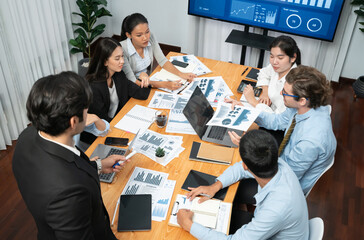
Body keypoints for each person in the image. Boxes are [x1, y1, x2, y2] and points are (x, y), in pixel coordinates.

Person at [12, 72, 128, 239]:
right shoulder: (68, 194)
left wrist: (99, 166)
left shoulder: (27, 136)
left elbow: (68, 163)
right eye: (86, 111)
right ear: (73, 122)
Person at [177, 130, 309, 240]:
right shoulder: (277, 163)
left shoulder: (275, 210)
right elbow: (241, 168)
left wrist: (188, 225)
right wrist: (215, 186)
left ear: (246, 165)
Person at [228, 65, 337, 195]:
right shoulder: (304, 106)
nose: (281, 94)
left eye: (285, 93)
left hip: (283, 186)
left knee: (232, 186)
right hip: (283, 160)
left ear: (302, 100)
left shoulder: (311, 141)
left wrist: (250, 149)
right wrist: (247, 112)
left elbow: (284, 176)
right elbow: (277, 121)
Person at [81, 37, 151, 143]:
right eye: (117, 58)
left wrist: (144, 78)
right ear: (105, 62)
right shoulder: (93, 87)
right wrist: (128, 124)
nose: (122, 61)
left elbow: (141, 94)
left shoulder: (118, 75)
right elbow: (102, 123)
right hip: (99, 136)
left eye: (122, 56)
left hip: (116, 124)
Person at [120, 13, 196, 90]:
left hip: (147, 82)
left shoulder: (151, 37)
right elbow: (132, 81)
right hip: (133, 87)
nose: (145, 38)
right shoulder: (122, 49)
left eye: (147, 32)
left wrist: (181, 74)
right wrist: (165, 85)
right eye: (139, 35)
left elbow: (162, 60)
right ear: (128, 35)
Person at [243, 35, 301, 114]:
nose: (274, 62)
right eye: (271, 56)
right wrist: (265, 92)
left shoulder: (293, 84)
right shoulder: (279, 67)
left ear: (293, 57)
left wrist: (252, 101)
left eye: (280, 58)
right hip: (265, 107)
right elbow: (263, 73)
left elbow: (276, 119)